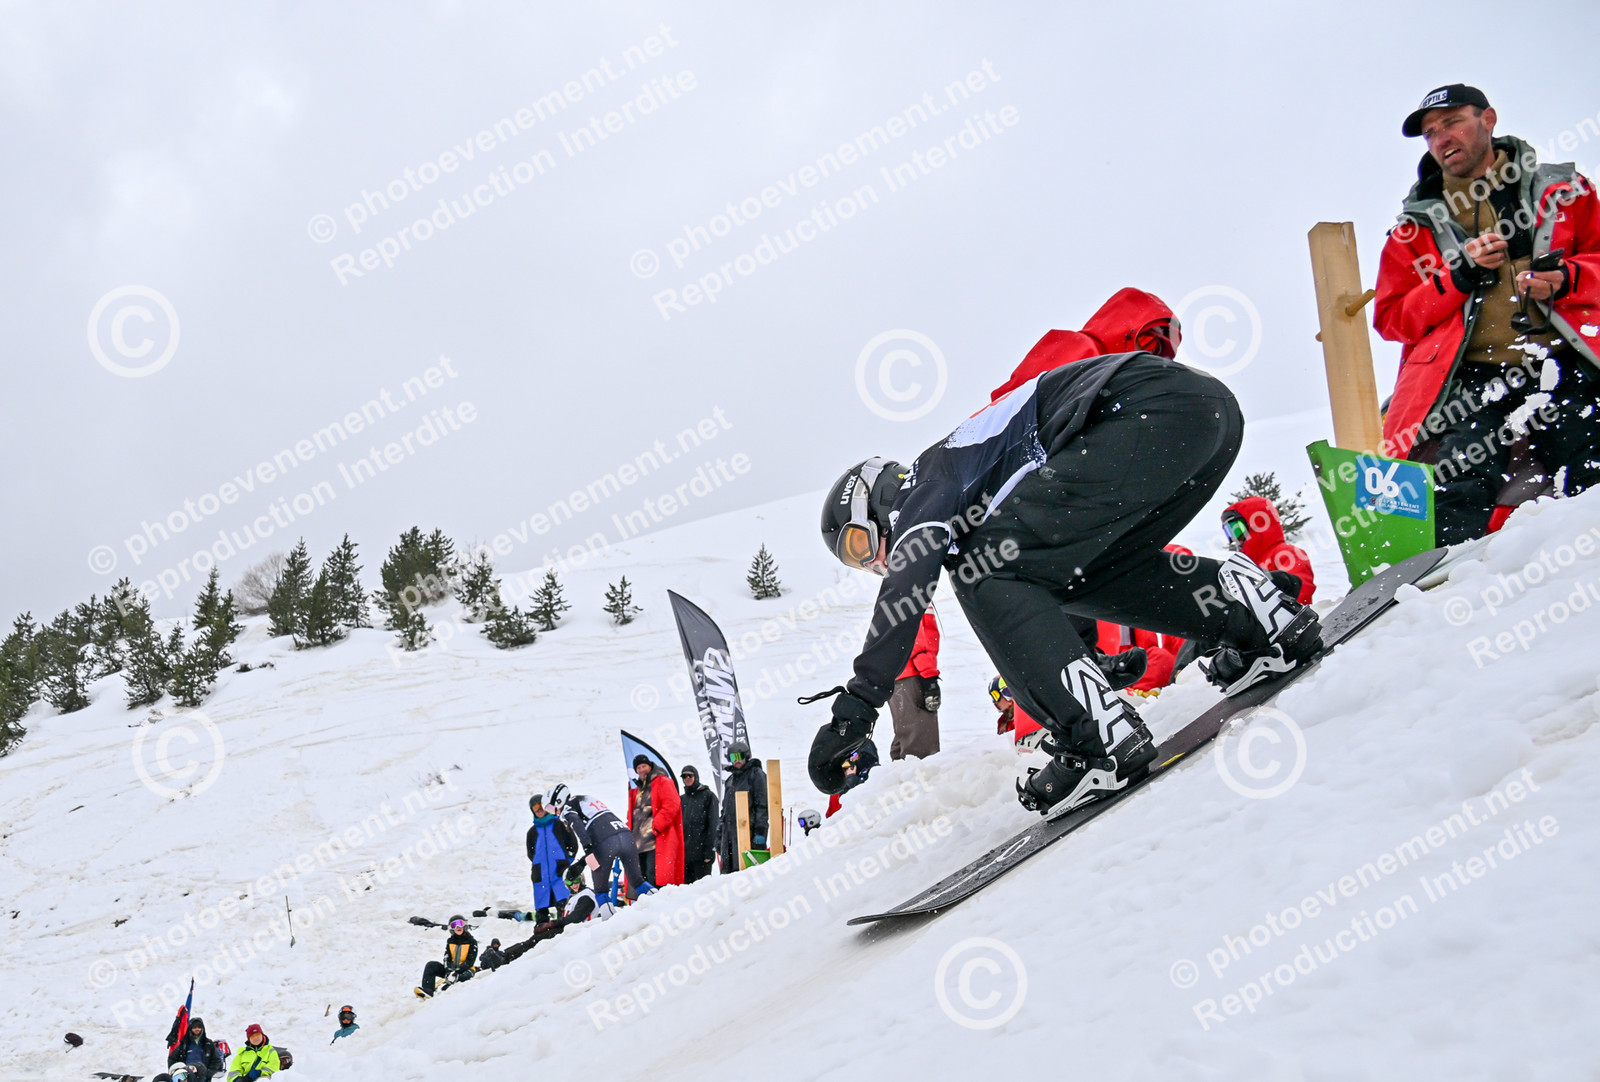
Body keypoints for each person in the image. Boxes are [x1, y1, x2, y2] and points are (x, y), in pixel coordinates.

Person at [808, 349, 1322, 815]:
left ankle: (1095, 738)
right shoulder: (963, 479)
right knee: (1078, 573)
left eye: (860, 543)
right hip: (1202, 415)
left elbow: (908, 587)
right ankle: (1250, 617)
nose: (875, 562)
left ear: (878, 503)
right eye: (858, 562)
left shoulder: (924, 481)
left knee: (981, 566)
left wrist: (856, 708)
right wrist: (1089, 664)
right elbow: (1041, 578)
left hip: (1138, 411)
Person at [1375, 83, 1600, 545]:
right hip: (1475, 380)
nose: (1441, 138)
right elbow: (1392, 318)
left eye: (1452, 122)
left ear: (1489, 120)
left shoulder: (1566, 192)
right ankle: (1447, 584)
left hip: (1567, 361)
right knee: (1457, 484)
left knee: (1590, 461)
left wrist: (1569, 278)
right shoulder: (1410, 231)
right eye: (1431, 133)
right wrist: (1456, 277)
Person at [991, 287, 1180, 400]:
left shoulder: (1126, 382)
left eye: (1156, 352)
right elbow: (1023, 399)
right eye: (1147, 341)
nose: (1147, 354)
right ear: (1126, 331)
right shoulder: (1079, 346)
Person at [548, 783, 648, 902]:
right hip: (626, 835)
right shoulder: (587, 799)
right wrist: (583, 861)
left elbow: (578, 825)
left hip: (606, 840)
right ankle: (661, 901)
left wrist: (587, 849)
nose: (554, 813)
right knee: (638, 882)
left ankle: (608, 913)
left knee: (601, 891)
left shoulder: (567, 808)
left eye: (551, 809)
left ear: (559, 801)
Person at [1221, 497, 1315, 603]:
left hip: (1285, 612)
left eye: (1237, 530)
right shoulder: (1243, 564)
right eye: (1230, 532)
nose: (1235, 538)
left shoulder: (1288, 554)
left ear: (1256, 524)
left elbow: (1300, 590)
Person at [887, 611, 940, 759]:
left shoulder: (893, 600)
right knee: (920, 742)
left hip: (898, 672)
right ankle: (918, 772)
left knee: (905, 733)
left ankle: (900, 770)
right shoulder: (912, 598)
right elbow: (915, 640)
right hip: (913, 672)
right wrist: (928, 675)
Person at [628, 756, 684, 888]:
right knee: (641, 878)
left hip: (656, 839)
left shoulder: (663, 781)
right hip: (638, 843)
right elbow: (631, 815)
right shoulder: (636, 790)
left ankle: (659, 899)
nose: (641, 770)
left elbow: (672, 804)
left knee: (654, 875)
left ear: (650, 766)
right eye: (638, 768)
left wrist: (656, 826)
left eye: (644, 766)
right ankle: (647, 900)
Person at [716, 741, 768, 870]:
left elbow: (762, 805)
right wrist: (719, 833)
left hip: (748, 832)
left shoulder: (756, 774)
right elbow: (725, 810)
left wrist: (760, 832)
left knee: (747, 870)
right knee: (729, 873)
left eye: (740, 756)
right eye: (733, 757)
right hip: (729, 835)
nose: (737, 760)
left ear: (746, 756)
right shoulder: (730, 780)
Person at [526, 792, 578, 923]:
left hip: (560, 873)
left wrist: (566, 862)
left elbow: (573, 845)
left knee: (564, 906)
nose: (539, 811)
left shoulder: (560, 825)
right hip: (541, 876)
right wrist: (539, 864)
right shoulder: (532, 832)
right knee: (542, 911)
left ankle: (566, 929)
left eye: (541, 807)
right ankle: (542, 931)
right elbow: (531, 853)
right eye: (535, 809)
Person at [414, 915, 477, 998]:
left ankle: (453, 982)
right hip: (451, 970)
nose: (458, 927)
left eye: (460, 924)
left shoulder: (472, 942)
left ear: (464, 925)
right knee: (431, 965)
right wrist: (448, 971)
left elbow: (470, 961)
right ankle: (428, 991)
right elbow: (447, 958)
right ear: (451, 928)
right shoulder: (450, 941)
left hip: (465, 970)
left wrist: (456, 972)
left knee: (465, 975)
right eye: (454, 925)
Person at [678, 765, 720, 884]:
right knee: (686, 890)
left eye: (690, 775)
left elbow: (713, 825)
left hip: (702, 855)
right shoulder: (681, 799)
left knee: (703, 888)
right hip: (685, 855)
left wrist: (709, 851)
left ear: (696, 776)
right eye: (684, 776)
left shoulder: (708, 796)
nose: (687, 778)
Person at [825, 739, 879, 818]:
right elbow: (834, 812)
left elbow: (867, 797)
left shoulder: (876, 773)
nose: (851, 759)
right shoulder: (844, 775)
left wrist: (851, 779)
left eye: (854, 754)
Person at [165, 1016, 224, 1082]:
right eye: (194, 1027)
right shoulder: (184, 1043)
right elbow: (172, 1058)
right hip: (186, 1078)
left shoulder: (208, 1044)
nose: (197, 1029)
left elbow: (216, 1061)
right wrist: (177, 1072)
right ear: (190, 1028)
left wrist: (207, 1073)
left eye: (199, 1027)